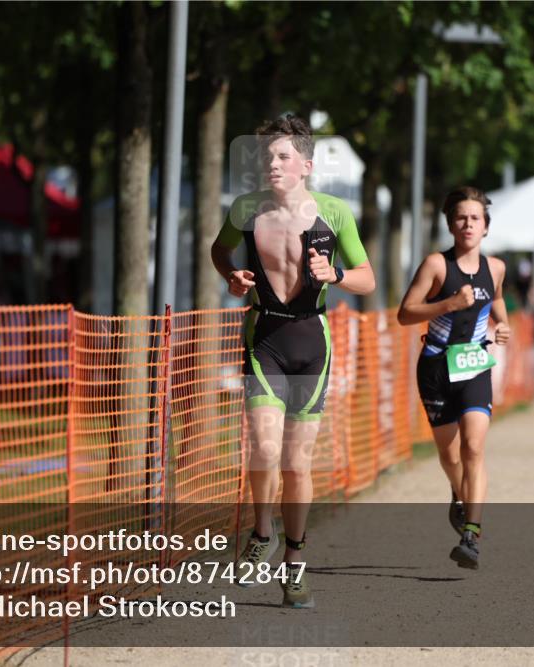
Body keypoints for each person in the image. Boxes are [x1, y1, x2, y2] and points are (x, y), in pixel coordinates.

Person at [210, 114, 376, 607]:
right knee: (262, 448)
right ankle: (262, 533)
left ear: (305, 163)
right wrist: (232, 277)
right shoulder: (245, 208)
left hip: (311, 342)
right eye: (266, 157)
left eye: (282, 156)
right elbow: (219, 250)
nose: (272, 164)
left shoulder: (335, 213)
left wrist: (337, 274)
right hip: (265, 336)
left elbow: (367, 278)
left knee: (297, 463)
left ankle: (295, 563)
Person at [397, 186, 510, 569]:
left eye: (475, 218)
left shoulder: (495, 268)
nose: (468, 224)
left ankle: (472, 535)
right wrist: (448, 304)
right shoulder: (436, 265)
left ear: (486, 227)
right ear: (450, 224)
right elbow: (405, 313)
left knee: (473, 448)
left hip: (474, 363)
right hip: (435, 366)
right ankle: (458, 494)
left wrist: (504, 323)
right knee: (449, 455)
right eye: (461, 217)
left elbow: (495, 298)